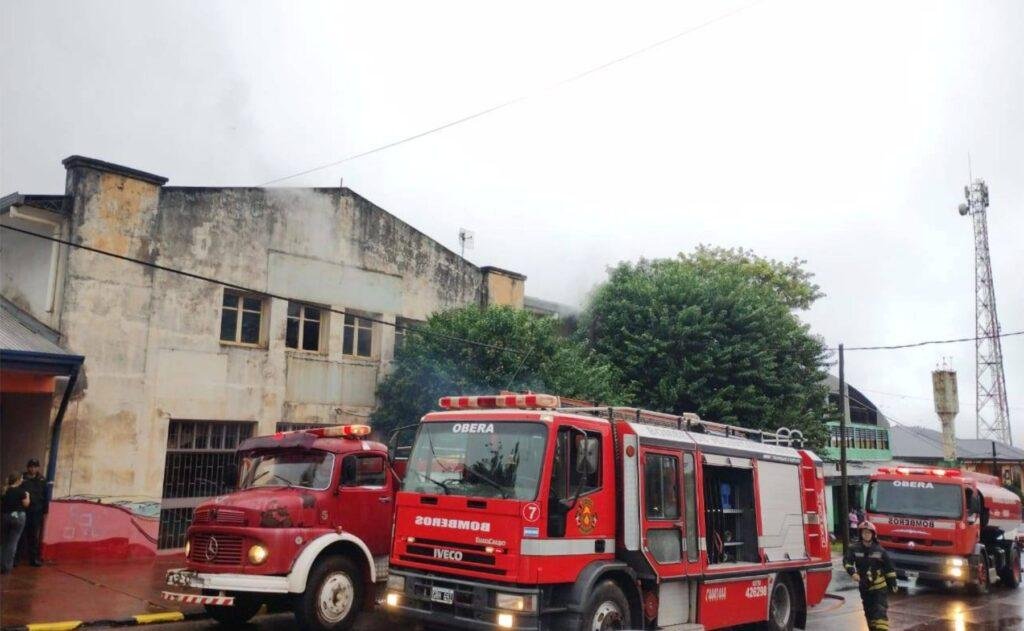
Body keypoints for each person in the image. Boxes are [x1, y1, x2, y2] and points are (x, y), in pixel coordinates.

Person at [843, 521, 898, 631]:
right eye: (864, 533)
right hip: (864, 586)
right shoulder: (854, 548)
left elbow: (889, 568)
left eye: (868, 533)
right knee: (869, 613)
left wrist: (893, 583)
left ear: (873, 535)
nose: (866, 535)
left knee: (880, 610)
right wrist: (852, 573)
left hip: (879, 586)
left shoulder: (880, 550)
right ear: (860, 534)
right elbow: (847, 562)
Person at [18, 458, 48, 567]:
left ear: (38, 467)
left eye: (35, 467)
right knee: (20, 534)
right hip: (24, 510)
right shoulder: (22, 478)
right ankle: (16, 559)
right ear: (28, 467)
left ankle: (33, 559)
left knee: (33, 536)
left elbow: (45, 496)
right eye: (31, 466)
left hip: (37, 512)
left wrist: (45, 511)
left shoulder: (42, 479)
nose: (33, 469)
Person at [2, 472, 30, 574]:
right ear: (18, 480)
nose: (22, 480)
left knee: (4, 541)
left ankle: (2, 563)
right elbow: (26, 504)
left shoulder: (5, 491)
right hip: (18, 517)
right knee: (13, 542)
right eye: (21, 478)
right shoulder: (21, 492)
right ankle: (7, 567)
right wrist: (28, 496)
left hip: (6, 516)